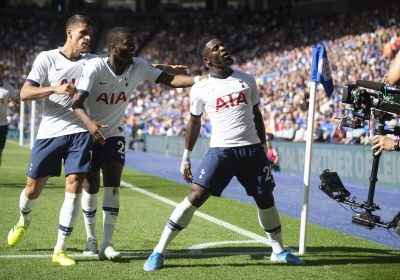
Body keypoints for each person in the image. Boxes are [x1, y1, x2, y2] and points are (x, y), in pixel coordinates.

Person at [142, 36, 304, 272]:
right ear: (207, 59)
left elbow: (256, 113)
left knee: (266, 199)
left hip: (251, 150)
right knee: (195, 196)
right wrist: (186, 156)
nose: (223, 48)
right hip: (221, 151)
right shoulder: (199, 87)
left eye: (223, 45)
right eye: (216, 48)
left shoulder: (247, 80)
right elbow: (194, 123)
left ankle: (278, 251)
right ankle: (158, 251)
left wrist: (263, 142)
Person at [71, 27, 201, 261]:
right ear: (113, 48)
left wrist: (200, 79)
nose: (133, 47)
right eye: (127, 44)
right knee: (90, 186)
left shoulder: (138, 66)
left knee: (113, 185)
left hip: (115, 133)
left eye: (134, 43)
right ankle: (91, 240)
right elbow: (77, 102)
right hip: (87, 131)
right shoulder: (95, 67)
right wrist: (90, 124)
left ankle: (107, 244)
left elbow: (170, 80)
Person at [7, 15, 96, 266]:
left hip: (80, 131)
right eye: (83, 33)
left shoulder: (92, 61)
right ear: (69, 33)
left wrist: (162, 68)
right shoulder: (47, 58)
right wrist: (54, 88)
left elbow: (123, 61)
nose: (87, 38)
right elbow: (25, 93)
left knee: (74, 187)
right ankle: (24, 219)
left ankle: (60, 250)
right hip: (49, 133)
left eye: (90, 34)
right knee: (32, 190)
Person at [0, 61, 18, 166]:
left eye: (1, 71)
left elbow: (15, 101)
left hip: (2, 125)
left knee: (0, 152)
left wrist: (14, 104)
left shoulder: (9, 88)